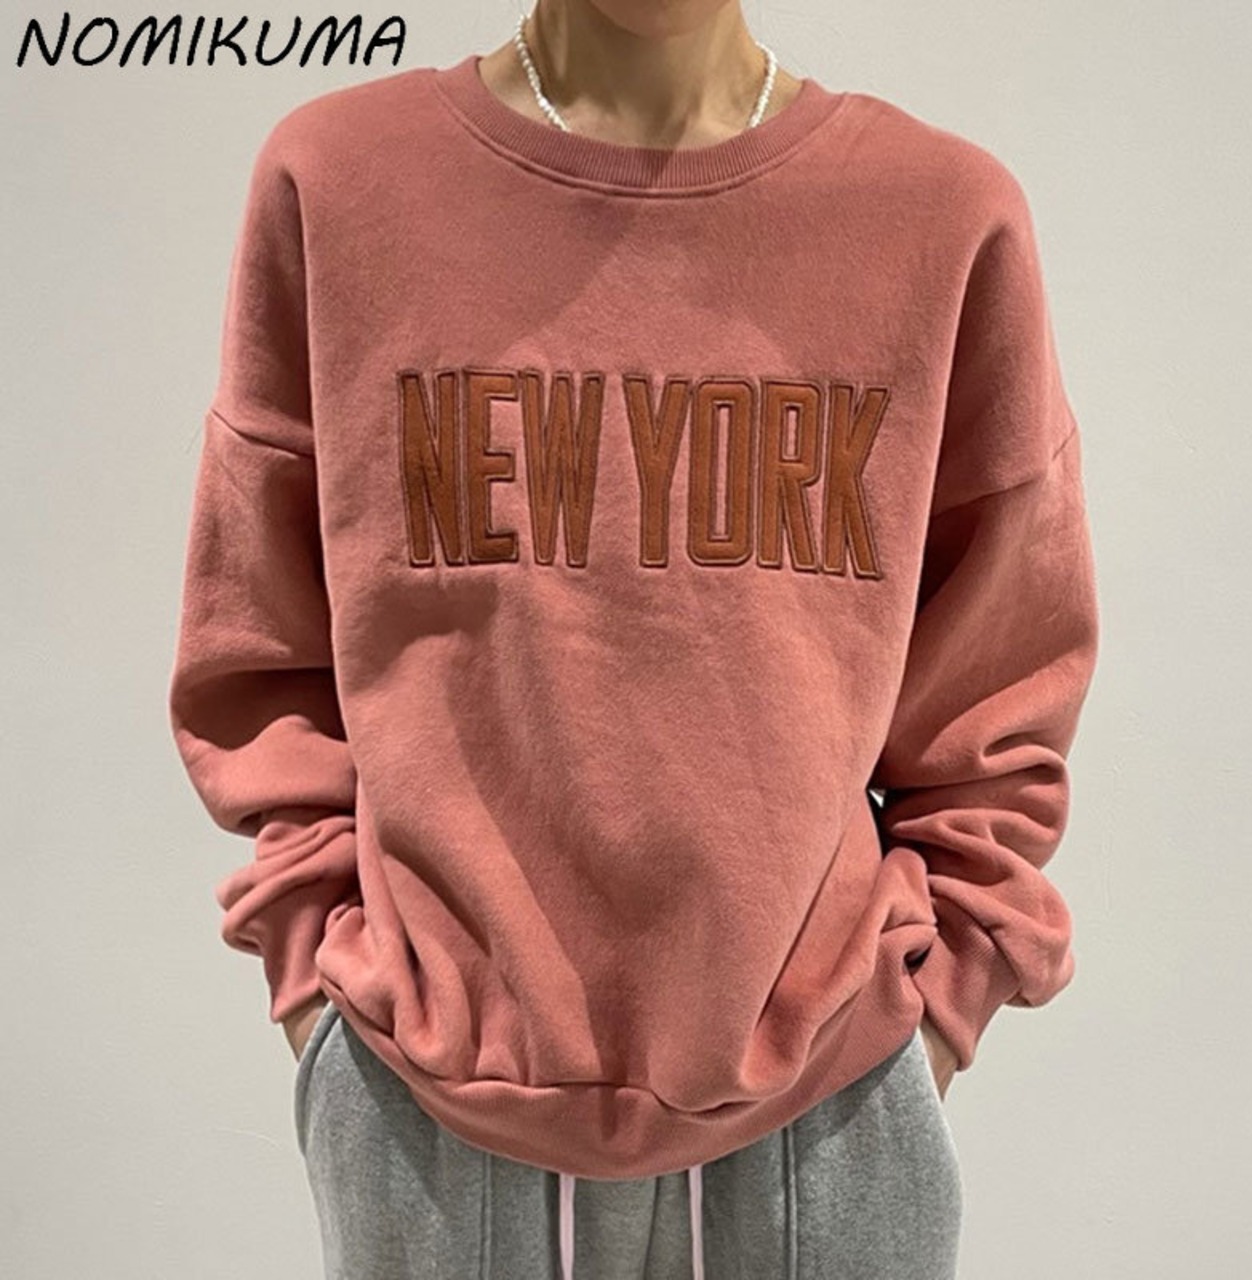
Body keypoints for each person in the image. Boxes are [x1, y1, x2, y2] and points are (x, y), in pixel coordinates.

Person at [167, 1, 1100, 1276]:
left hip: (830, 1108)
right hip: (421, 1100)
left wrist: (927, 1020)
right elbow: (258, 649)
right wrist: (324, 983)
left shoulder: (938, 216)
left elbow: (1002, 677)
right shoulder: (338, 184)